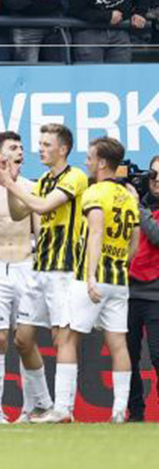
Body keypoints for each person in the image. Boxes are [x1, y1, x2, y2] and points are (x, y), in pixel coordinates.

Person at [0, 123, 88, 423]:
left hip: (65, 268)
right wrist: (12, 185)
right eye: (41, 143)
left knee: (62, 337)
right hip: (40, 267)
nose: (40, 149)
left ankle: (63, 409)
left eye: (47, 144)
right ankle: (42, 404)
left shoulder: (76, 176)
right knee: (22, 338)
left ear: (63, 149)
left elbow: (44, 207)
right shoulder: (43, 179)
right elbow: (20, 212)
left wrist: (11, 184)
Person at [60, 136, 140, 423]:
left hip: (90, 277)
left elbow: (95, 232)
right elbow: (135, 238)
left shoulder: (95, 193)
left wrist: (92, 275)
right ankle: (119, 411)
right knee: (118, 342)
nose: (86, 161)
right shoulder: (128, 197)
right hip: (119, 279)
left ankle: (63, 410)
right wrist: (122, 264)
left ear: (103, 162)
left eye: (90, 156)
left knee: (69, 337)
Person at [0, 130, 48, 423]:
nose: (20, 152)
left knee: (26, 340)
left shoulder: (31, 187)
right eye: (13, 147)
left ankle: (30, 410)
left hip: (25, 267)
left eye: (22, 147)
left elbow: (39, 231)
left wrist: (42, 268)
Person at [127, 156, 159, 423]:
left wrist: (137, 205)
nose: (157, 180)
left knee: (158, 356)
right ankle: (135, 413)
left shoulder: (139, 207)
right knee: (127, 358)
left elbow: (156, 235)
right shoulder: (133, 204)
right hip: (128, 292)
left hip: (157, 295)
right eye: (154, 174)